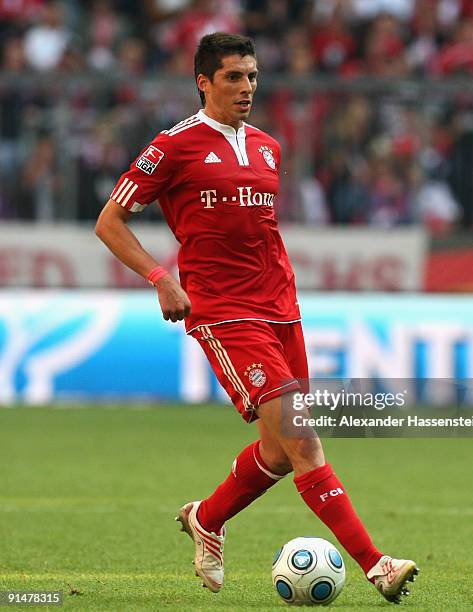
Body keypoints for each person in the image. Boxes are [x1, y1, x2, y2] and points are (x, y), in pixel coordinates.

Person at [95, 32, 418, 604]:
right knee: (305, 443)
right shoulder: (174, 146)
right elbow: (110, 222)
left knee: (277, 450)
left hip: (281, 309)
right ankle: (377, 565)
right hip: (223, 313)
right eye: (233, 78)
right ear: (203, 82)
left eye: (252, 76)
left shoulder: (268, 147)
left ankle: (209, 518)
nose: (247, 88)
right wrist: (160, 277)